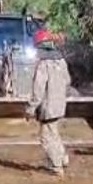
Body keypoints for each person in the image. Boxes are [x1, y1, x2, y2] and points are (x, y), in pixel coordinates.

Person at [27, 29, 72, 176]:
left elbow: (38, 89)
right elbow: (67, 82)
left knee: (46, 138)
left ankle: (56, 166)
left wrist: (30, 109)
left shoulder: (43, 65)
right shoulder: (61, 61)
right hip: (59, 106)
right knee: (54, 133)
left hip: (48, 107)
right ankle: (63, 158)